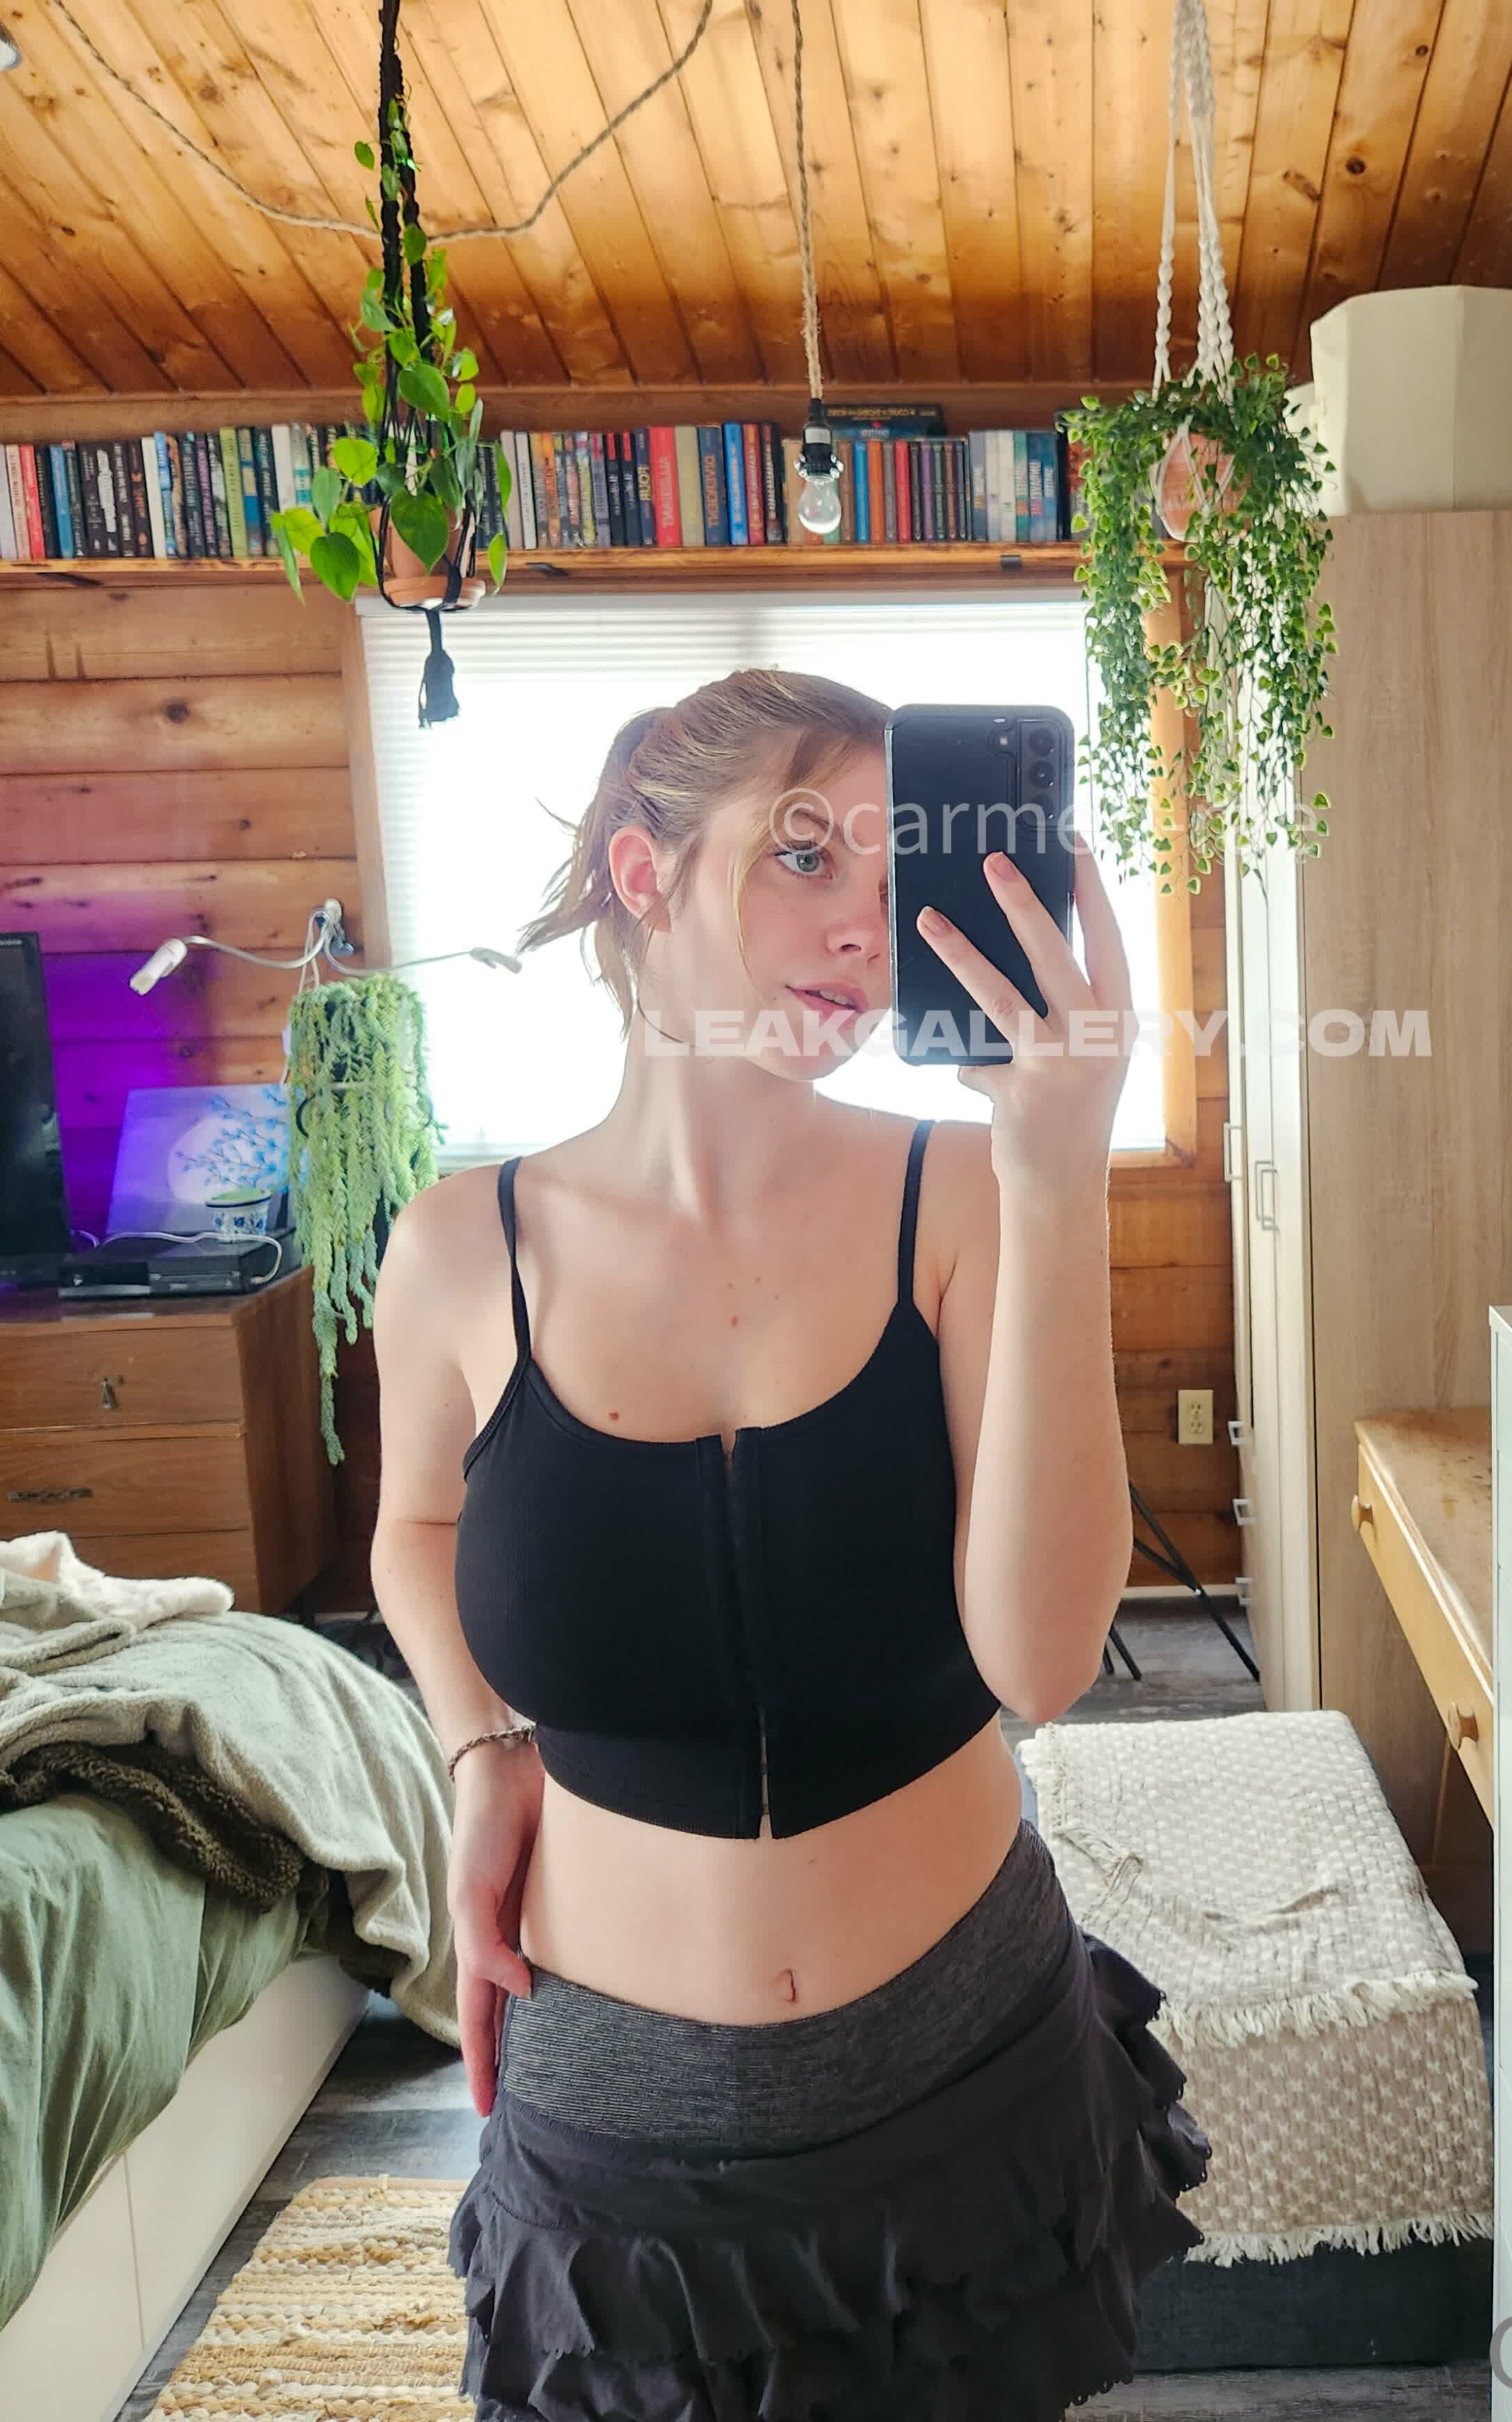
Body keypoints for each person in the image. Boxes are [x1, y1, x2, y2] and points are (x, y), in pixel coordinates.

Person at [369, 667, 1211, 2422]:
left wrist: (1059, 1170)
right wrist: (478, 1744)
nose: (859, 926)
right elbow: (416, 1525)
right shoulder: (459, 1249)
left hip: (969, 2076)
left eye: (893, 875)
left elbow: (1044, 1660)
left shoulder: (967, 1196)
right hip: (621, 2140)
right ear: (644, 870)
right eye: (805, 854)